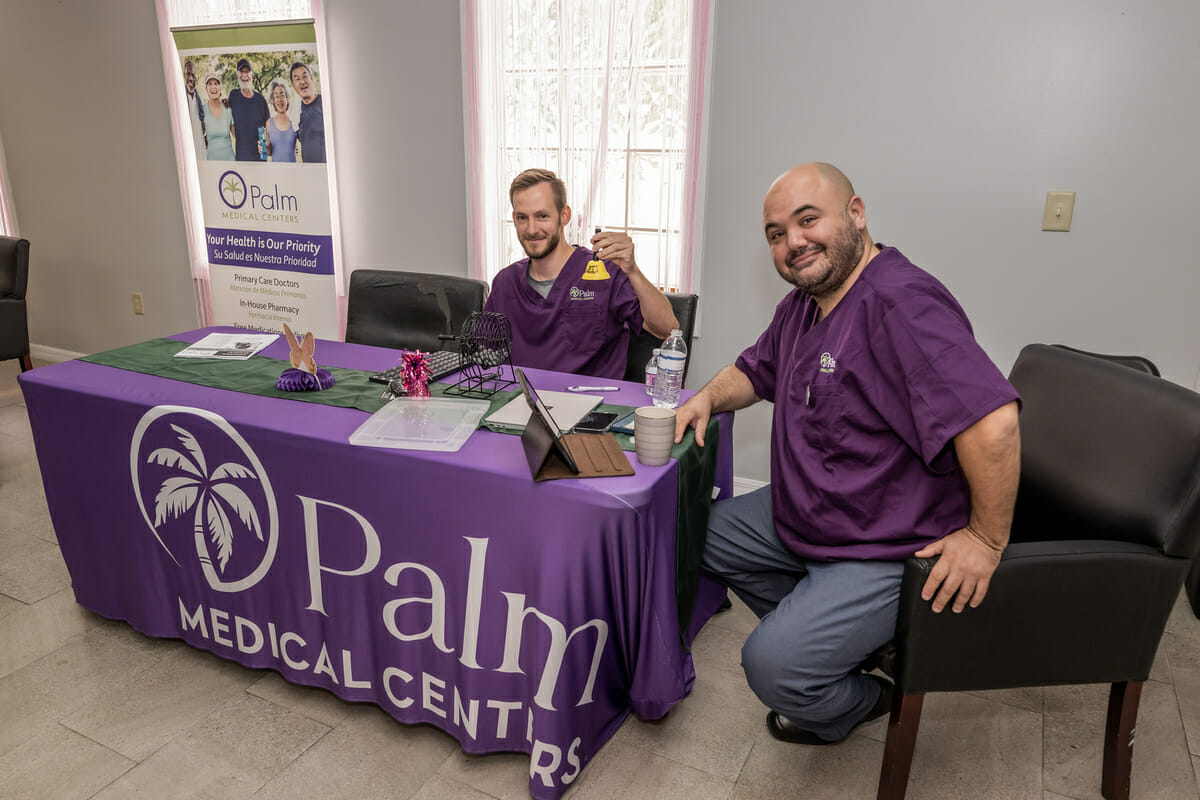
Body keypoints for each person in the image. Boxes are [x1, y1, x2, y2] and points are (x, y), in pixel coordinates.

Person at [674, 162, 1021, 745]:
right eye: (777, 234)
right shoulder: (808, 301)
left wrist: (986, 540)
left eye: (808, 220)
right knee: (695, 534)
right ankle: (838, 641)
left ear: (855, 215)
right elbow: (755, 370)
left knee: (772, 667)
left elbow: (994, 423)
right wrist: (707, 397)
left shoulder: (899, 303)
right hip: (810, 512)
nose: (793, 243)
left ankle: (857, 701)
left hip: (884, 540)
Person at [482, 168, 679, 379]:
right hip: (521, 403)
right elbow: (483, 353)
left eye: (542, 216)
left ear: (564, 215)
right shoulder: (505, 283)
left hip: (592, 403)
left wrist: (633, 271)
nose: (531, 229)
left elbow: (668, 329)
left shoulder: (604, 273)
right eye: (522, 218)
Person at [227, 58, 269, 162]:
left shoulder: (260, 99)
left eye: (247, 72)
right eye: (241, 72)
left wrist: (266, 142)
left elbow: (268, 124)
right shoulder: (233, 96)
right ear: (237, 75)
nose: (244, 75)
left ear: (252, 76)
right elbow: (227, 117)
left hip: (259, 159)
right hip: (241, 158)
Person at [289, 61, 325, 163]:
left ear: (311, 78)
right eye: (297, 79)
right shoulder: (295, 111)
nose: (302, 82)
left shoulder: (326, 103)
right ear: (293, 85)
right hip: (309, 171)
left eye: (305, 76)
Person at [201, 74, 235, 162]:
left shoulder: (228, 109)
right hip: (212, 163)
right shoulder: (203, 110)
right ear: (206, 89)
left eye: (216, 83)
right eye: (210, 84)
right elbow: (199, 135)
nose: (213, 86)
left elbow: (237, 136)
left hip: (230, 161)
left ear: (220, 88)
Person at [264, 78, 297, 163]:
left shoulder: (294, 121)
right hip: (276, 172)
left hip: (293, 172)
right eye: (276, 96)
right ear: (273, 100)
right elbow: (269, 153)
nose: (279, 99)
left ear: (287, 98)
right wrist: (266, 146)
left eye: (282, 95)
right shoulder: (269, 123)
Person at [183, 60, 206, 159]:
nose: (191, 78)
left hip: (199, 144)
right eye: (188, 74)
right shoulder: (181, 96)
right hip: (187, 144)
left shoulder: (198, 98)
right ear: (184, 75)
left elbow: (202, 119)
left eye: (193, 74)